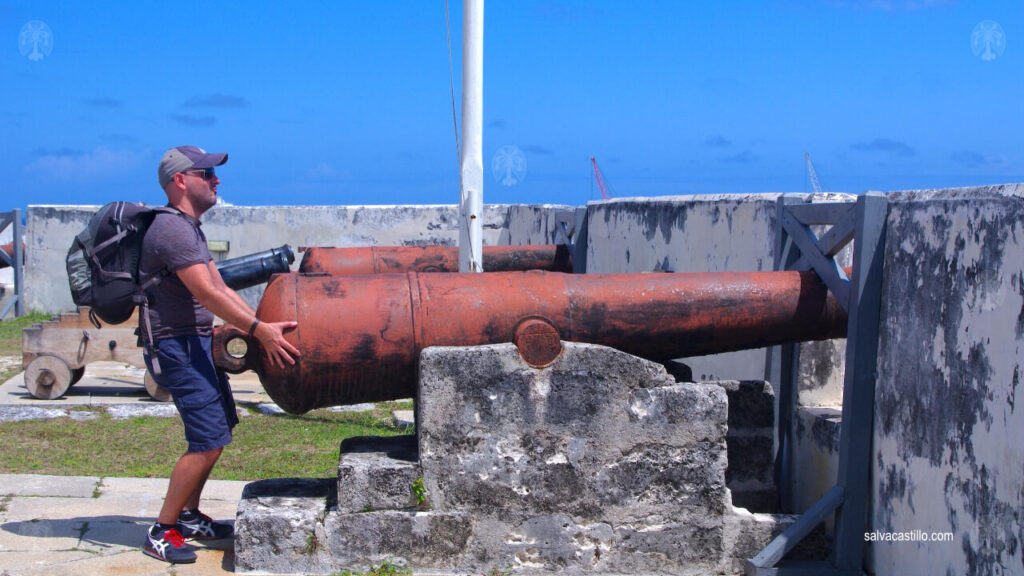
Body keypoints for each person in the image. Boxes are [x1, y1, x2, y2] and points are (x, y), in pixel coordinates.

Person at [139, 145, 300, 564]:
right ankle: (162, 530)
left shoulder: (188, 227)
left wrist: (264, 324)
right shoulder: (171, 230)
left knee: (220, 428)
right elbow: (207, 292)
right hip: (176, 345)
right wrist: (257, 330)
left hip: (194, 341)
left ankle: (189, 515)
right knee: (207, 441)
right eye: (206, 173)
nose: (216, 180)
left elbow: (223, 288)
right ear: (180, 181)